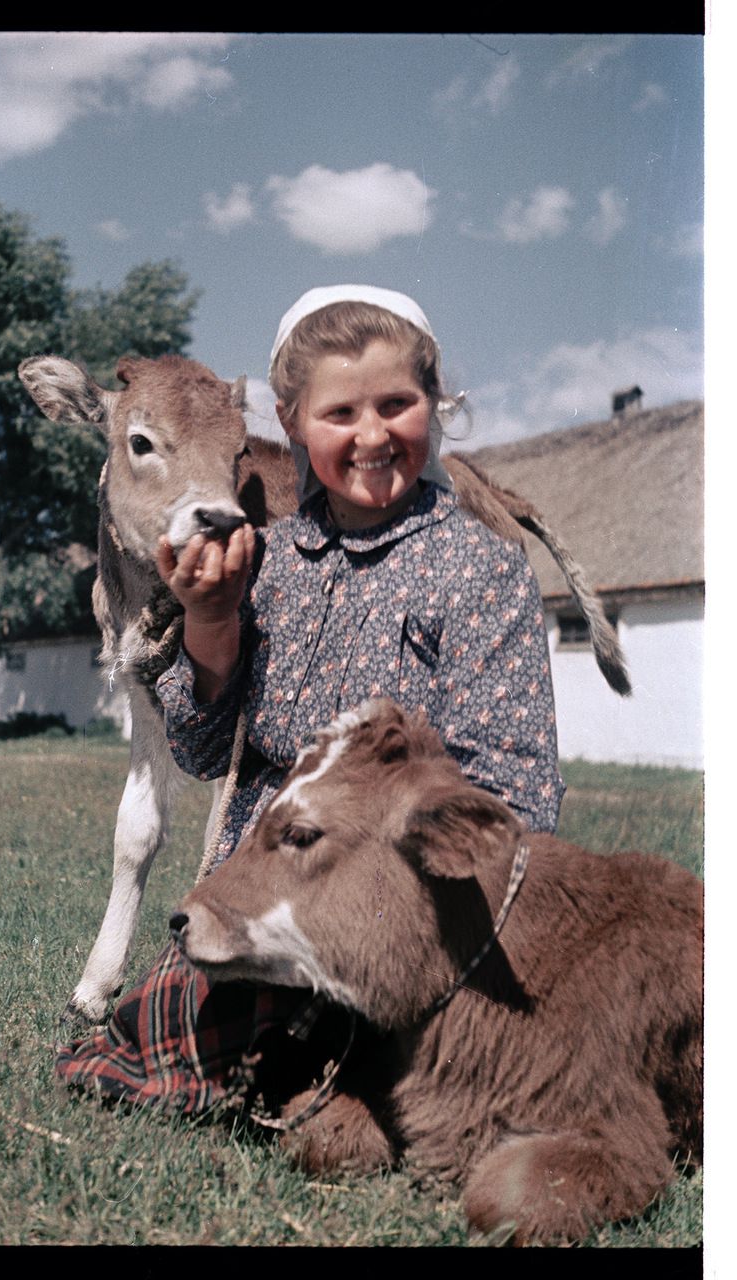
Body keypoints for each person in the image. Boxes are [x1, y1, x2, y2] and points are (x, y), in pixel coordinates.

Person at [55, 284, 565, 1114]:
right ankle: (330, 1066)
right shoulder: (270, 560)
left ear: (433, 406)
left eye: (397, 404)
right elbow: (196, 745)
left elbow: (517, 796)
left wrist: (382, 881)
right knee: (163, 1032)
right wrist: (211, 618)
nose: (371, 436)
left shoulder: (481, 569)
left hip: (401, 905)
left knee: (379, 1053)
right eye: (339, 414)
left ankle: (381, 1059)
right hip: (264, 900)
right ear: (289, 427)